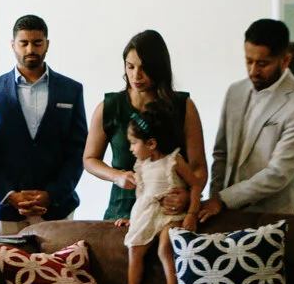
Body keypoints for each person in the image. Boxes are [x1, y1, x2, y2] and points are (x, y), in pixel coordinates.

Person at [0, 14, 89, 235]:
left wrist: (52, 194)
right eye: (23, 43)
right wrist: (8, 195)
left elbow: (79, 150)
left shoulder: (71, 90)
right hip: (5, 208)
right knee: (4, 260)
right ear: (13, 45)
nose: (30, 49)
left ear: (47, 44)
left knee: (60, 260)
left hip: (57, 207)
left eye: (37, 43)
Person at [196, 18, 294, 222]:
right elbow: (221, 153)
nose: (253, 71)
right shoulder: (235, 91)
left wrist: (223, 200)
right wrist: (215, 200)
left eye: (263, 64)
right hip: (231, 215)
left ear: (285, 60)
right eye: (249, 61)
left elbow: (278, 173)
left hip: (280, 216)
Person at [82, 29, 206, 223]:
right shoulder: (109, 106)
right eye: (130, 67)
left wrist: (187, 196)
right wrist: (116, 176)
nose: (136, 75)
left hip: (168, 211)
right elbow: (89, 159)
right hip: (121, 211)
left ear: (159, 68)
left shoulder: (183, 106)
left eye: (144, 68)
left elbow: (198, 167)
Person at [111, 107, 202, 284]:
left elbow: (196, 185)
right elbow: (142, 196)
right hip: (148, 215)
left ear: (151, 144)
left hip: (170, 215)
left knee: (165, 247)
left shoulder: (173, 161)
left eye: (134, 143)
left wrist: (192, 213)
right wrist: (133, 219)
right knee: (134, 248)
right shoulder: (141, 166)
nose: (131, 148)